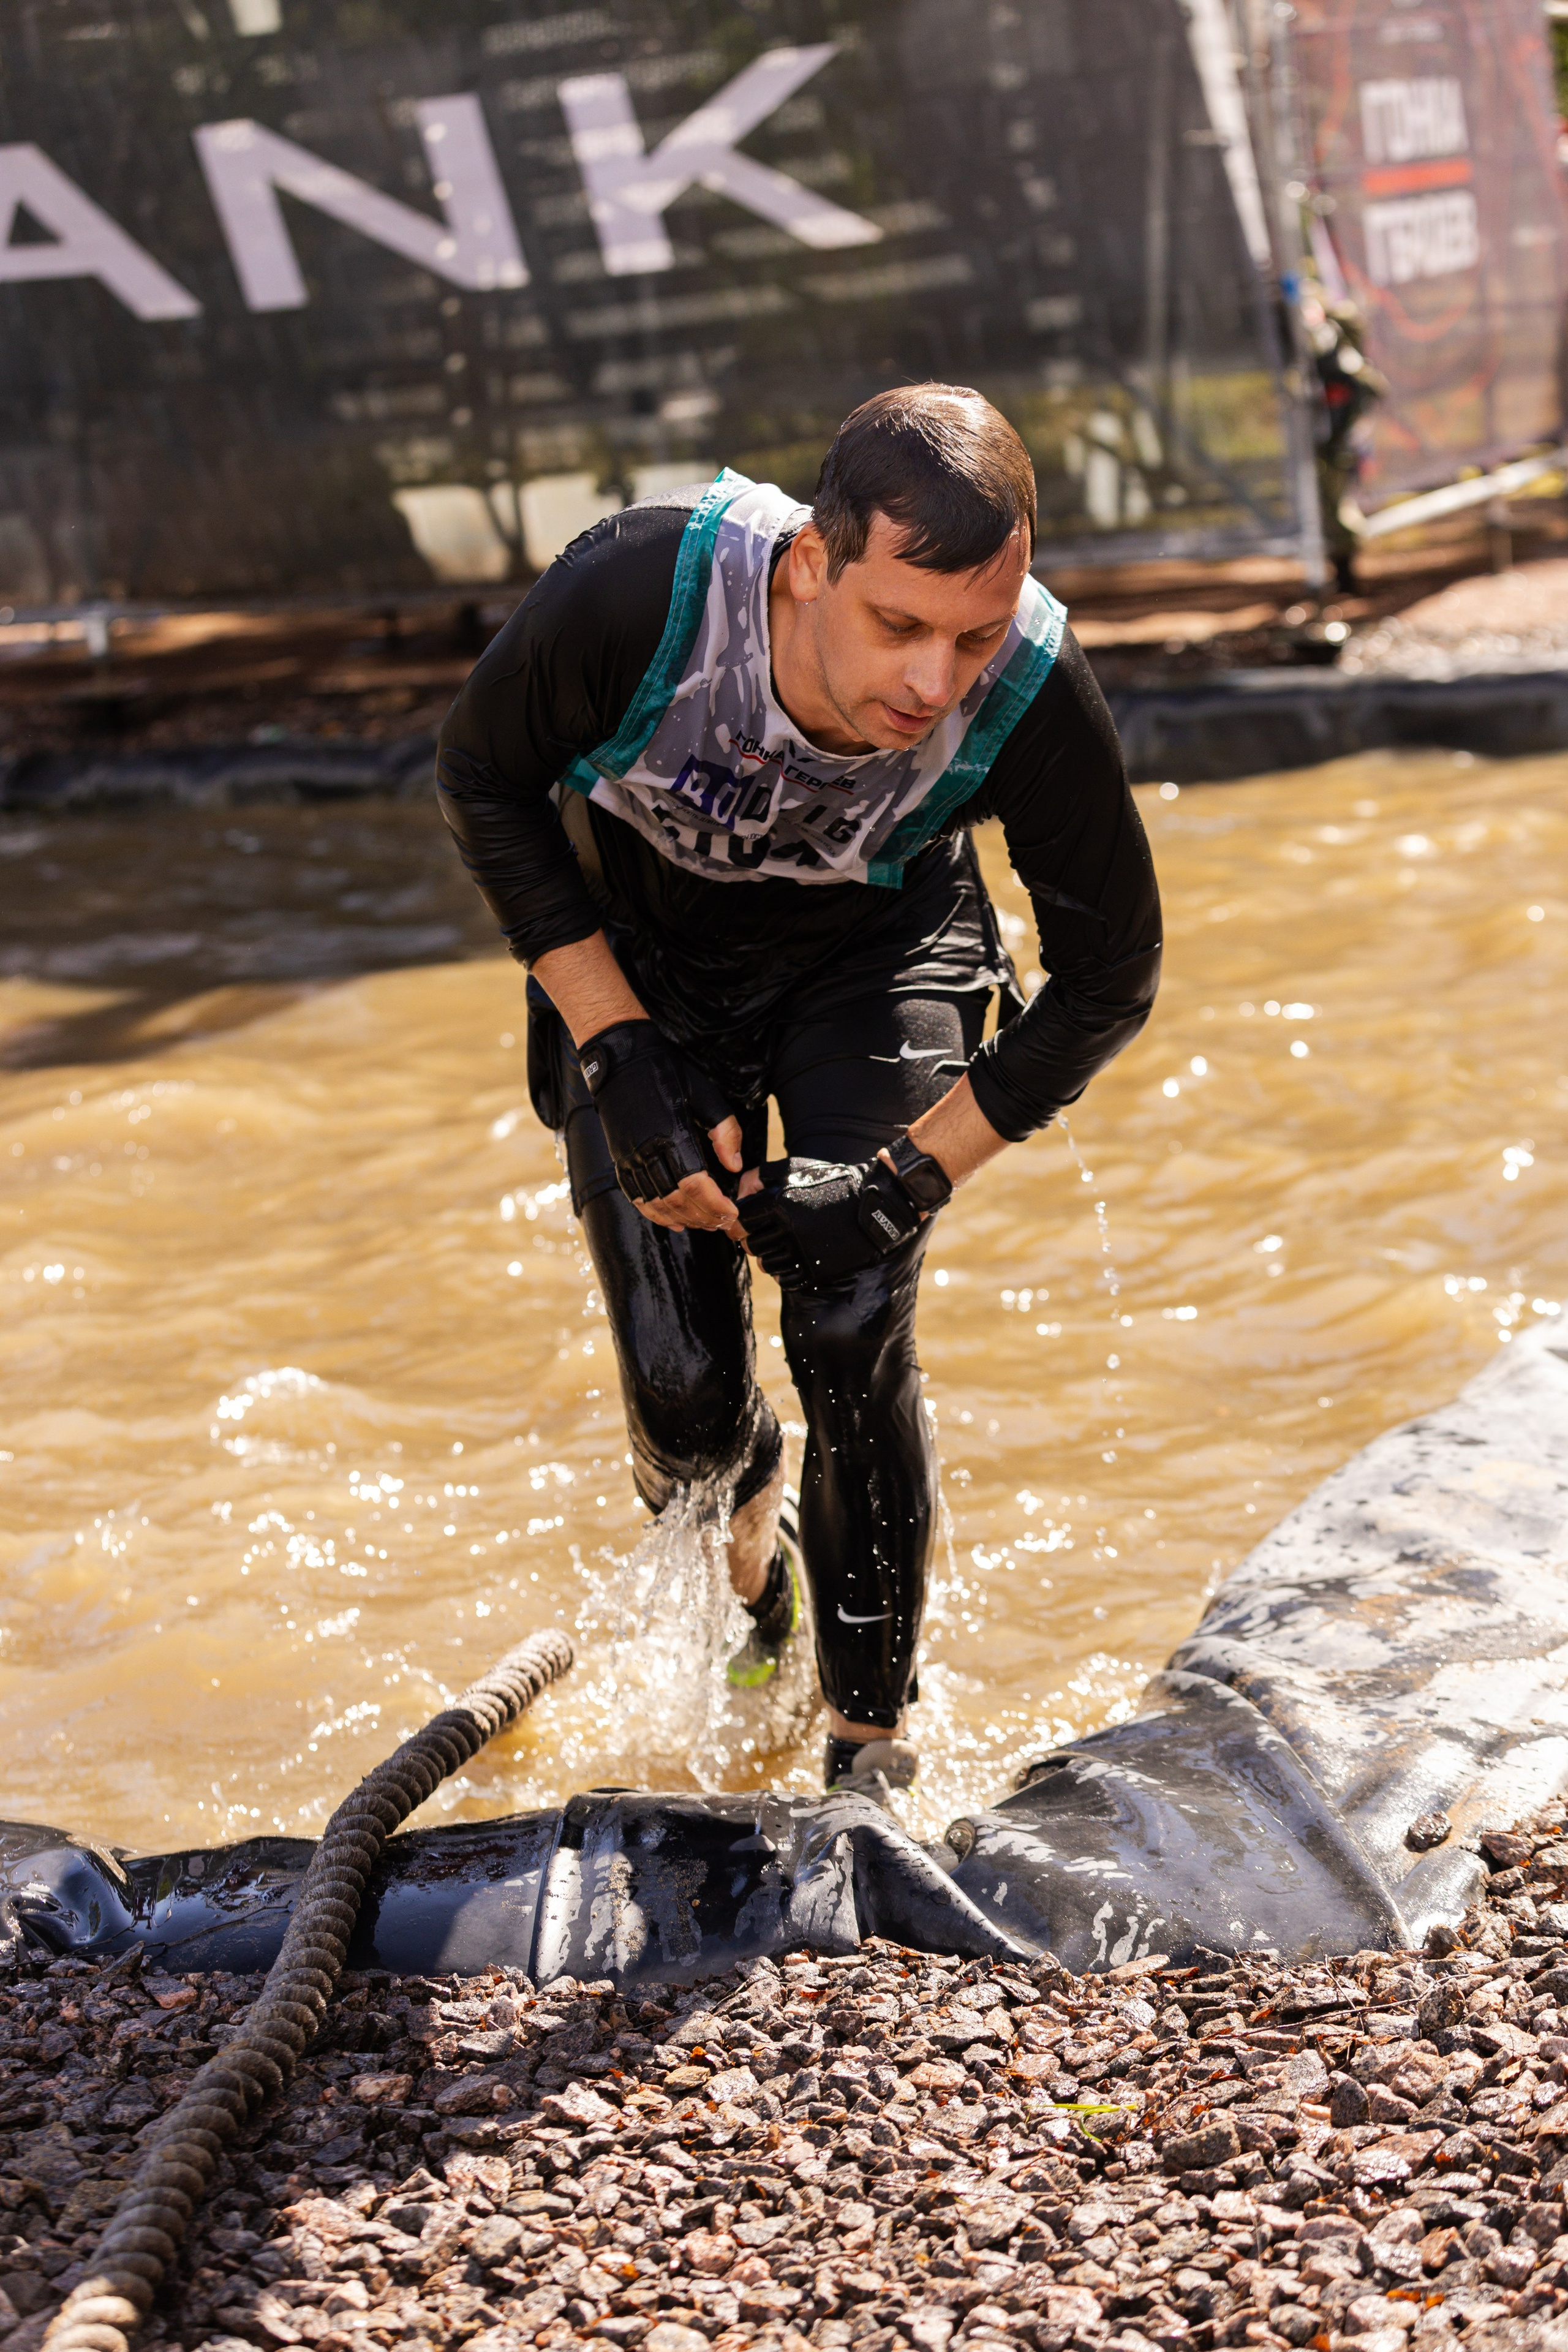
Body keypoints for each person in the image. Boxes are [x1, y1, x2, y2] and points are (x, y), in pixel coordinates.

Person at [436, 384, 1161, 1800]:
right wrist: (613, 1041)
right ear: (811, 565)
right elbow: (481, 775)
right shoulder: (641, 593)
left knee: (846, 1312)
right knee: (688, 1403)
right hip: (643, 960)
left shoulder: (1025, 686)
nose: (935, 681)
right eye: (897, 626)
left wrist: (906, 1181)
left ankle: (869, 1756)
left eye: (973, 631)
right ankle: (752, 1573)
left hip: (873, 951)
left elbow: (1110, 974)